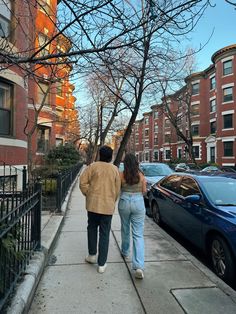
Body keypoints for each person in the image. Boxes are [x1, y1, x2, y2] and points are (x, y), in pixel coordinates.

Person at [79, 145, 121, 274]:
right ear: (110, 157)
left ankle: (92, 255)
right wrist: (111, 200)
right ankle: (102, 264)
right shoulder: (115, 170)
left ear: (100, 155)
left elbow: (82, 183)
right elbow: (117, 189)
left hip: (93, 205)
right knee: (104, 233)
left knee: (91, 228)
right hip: (107, 206)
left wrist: (89, 194)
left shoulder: (92, 167)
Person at [118, 153, 146, 279]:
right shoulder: (141, 175)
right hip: (138, 202)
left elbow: (117, 189)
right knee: (138, 234)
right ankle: (139, 266)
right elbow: (144, 191)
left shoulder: (121, 175)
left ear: (125, 163)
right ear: (136, 163)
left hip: (124, 201)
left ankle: (125, 251)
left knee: (125, 228)